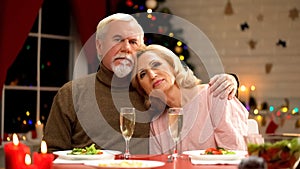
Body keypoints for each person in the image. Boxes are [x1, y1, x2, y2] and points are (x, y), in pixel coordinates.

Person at [43, 13, 239, 154]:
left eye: (133, 42)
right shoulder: (71, 94)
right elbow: (52, 153)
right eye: (117, 39)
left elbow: (193, 95)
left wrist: (231, 80)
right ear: (99, 46)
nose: (126, 48)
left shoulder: (153, 93)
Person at [132, 44, 249, 154]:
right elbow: (159, 165)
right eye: (143, 74)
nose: (152, 75)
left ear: (172, 65)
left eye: (156, 64)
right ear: (143, 89)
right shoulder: (157, 124)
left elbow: (236, 154)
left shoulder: (214, 95)